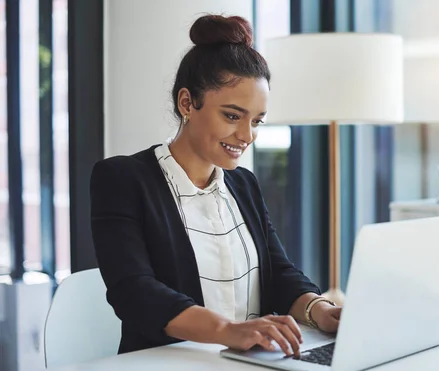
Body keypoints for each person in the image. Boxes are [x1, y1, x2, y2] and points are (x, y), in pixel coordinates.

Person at [89, 14, 341, 359]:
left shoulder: (243, 184)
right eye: (233, 116)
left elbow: (279, 272)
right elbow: (134, 291)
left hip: (250, 361)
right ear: (187, 104)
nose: (247, 135)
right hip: (172, 363)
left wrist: (318, 309)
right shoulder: (123, 178)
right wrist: (228, 331)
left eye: (257, 121)